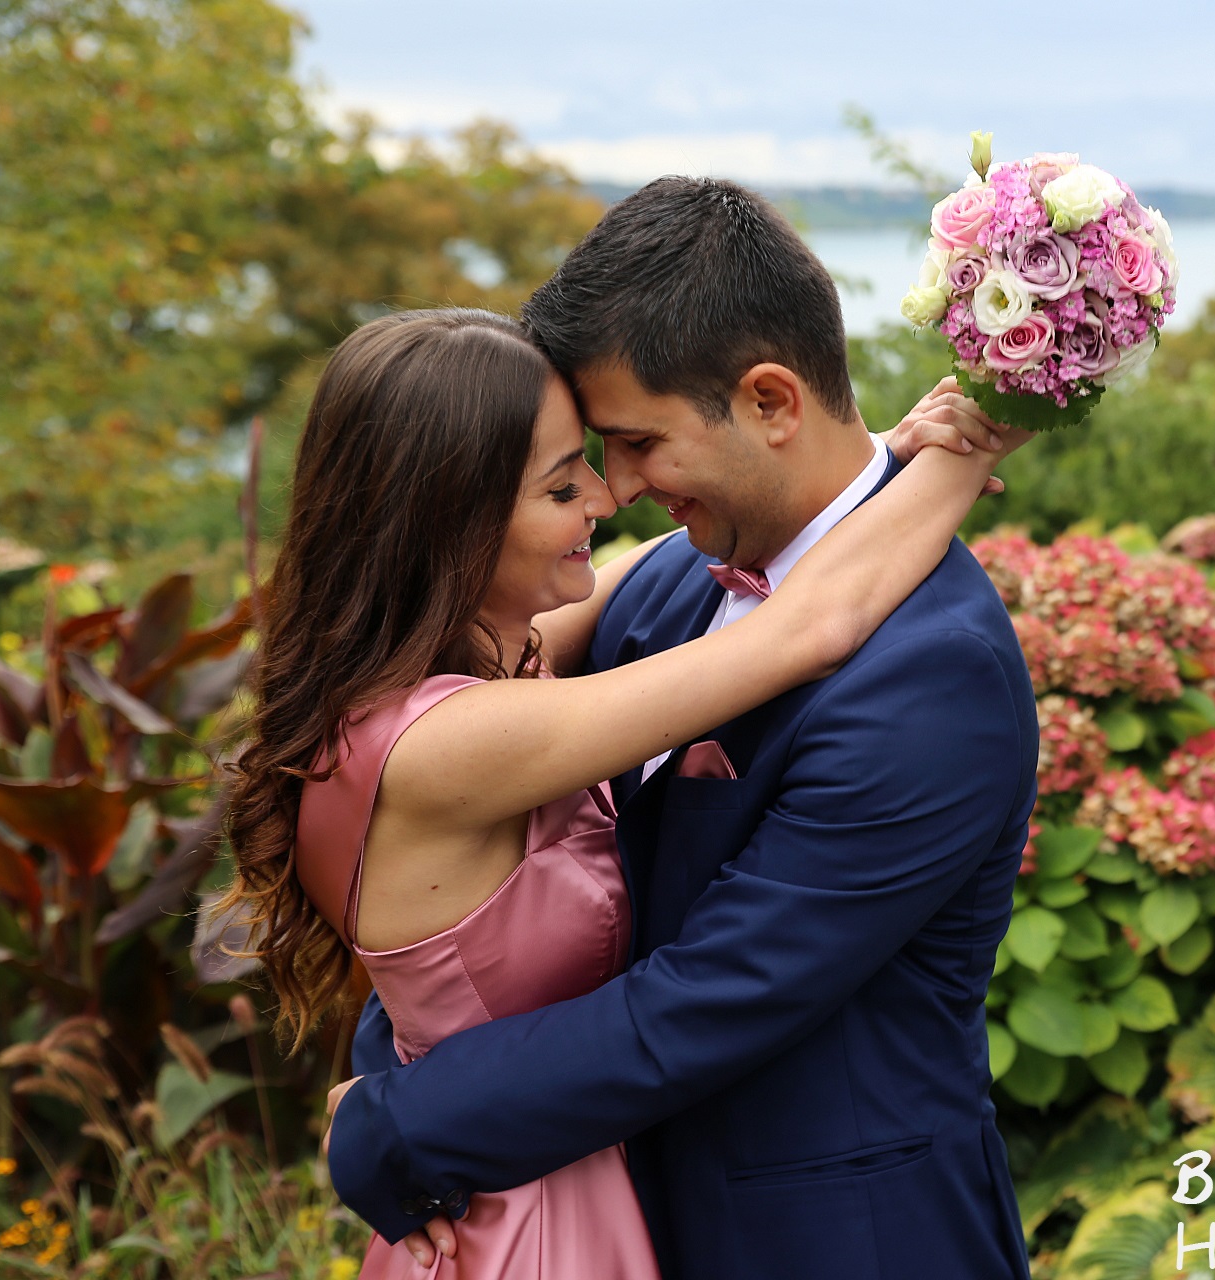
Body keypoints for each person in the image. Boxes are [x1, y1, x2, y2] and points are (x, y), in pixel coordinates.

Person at [323, 179, 1042, 1280]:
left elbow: (709, 997)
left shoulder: (931, 670)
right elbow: (475, 888)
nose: (611, 490)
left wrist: (406, 1116)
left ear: (769, 401)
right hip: (600, 1211)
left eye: (633, 442)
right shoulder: (666, 583)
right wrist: (410, 1046)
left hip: (836, 1241)